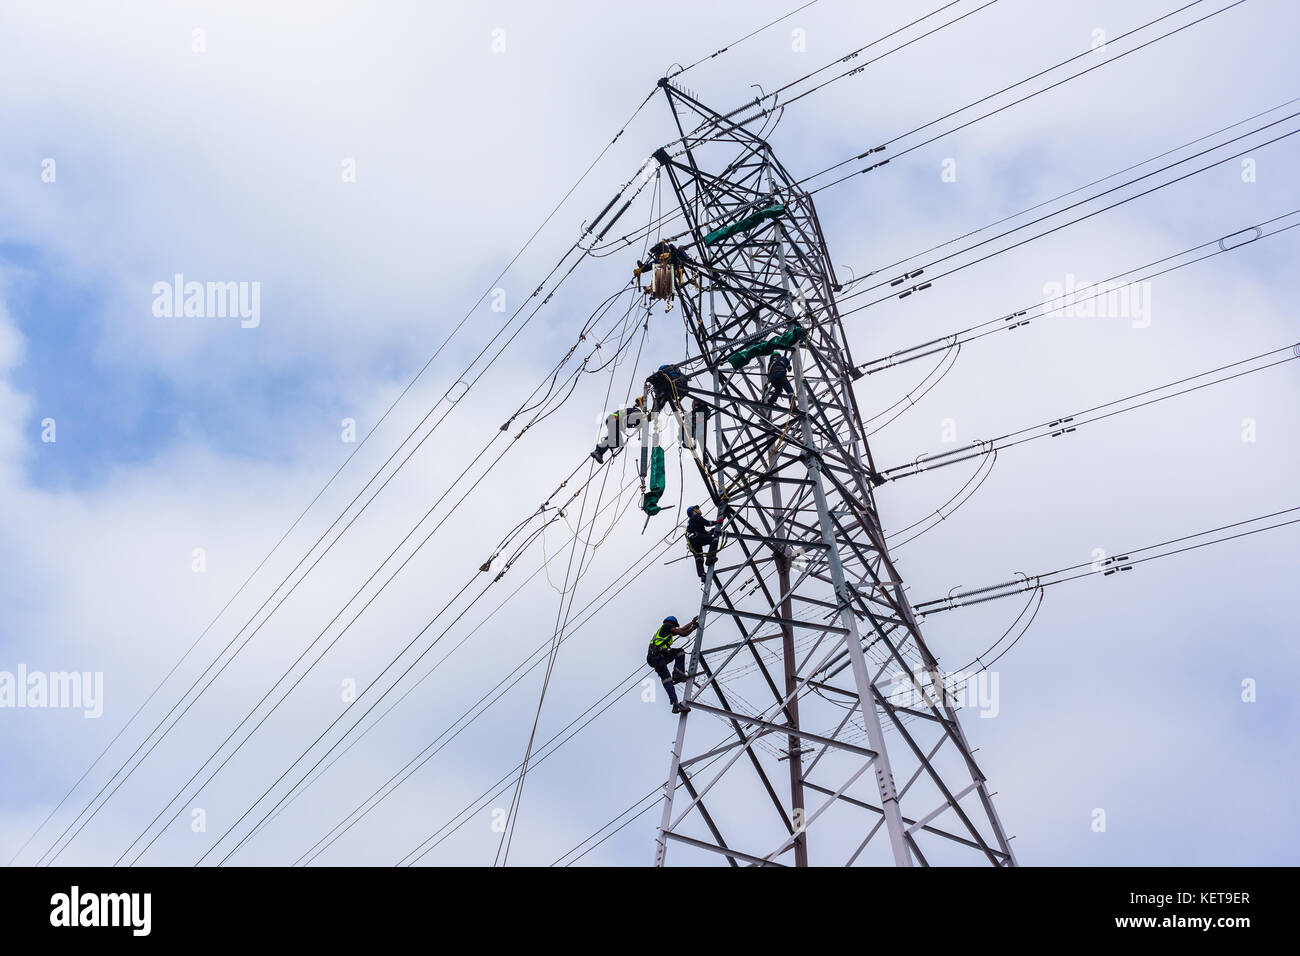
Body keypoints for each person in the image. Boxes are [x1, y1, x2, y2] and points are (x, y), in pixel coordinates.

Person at [647, 614, 698, 714]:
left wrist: (692, 622)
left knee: (667, 680)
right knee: (679, 653)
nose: (675, 628)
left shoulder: (667, 630)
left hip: (657, 658)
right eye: (674, 626)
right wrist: (693, 628)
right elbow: (683, 633)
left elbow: (682, 629)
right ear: (672, 624)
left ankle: (675, 705)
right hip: (657, 657)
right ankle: (677, 674)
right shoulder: (667, 626)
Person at [590, 398, 645, 463]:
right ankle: (598, 451)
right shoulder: (636, 411)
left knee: (619, 442)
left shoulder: (635, 414)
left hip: (615, 421)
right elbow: (625, 419)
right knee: (613, 435)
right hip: (613, 419)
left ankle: (601, 449)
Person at [684, 504, 723, 581]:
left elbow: (704, 533)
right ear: (693, 511)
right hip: (696, 537)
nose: (699, 510)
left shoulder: (691, 522)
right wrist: (717, 522)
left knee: (699, 558)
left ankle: (702, 574)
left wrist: (710, 532)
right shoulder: (695, 517)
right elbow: (707, 523)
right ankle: (710, 557)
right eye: (697, 508)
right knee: (713, 540)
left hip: (692, 541)